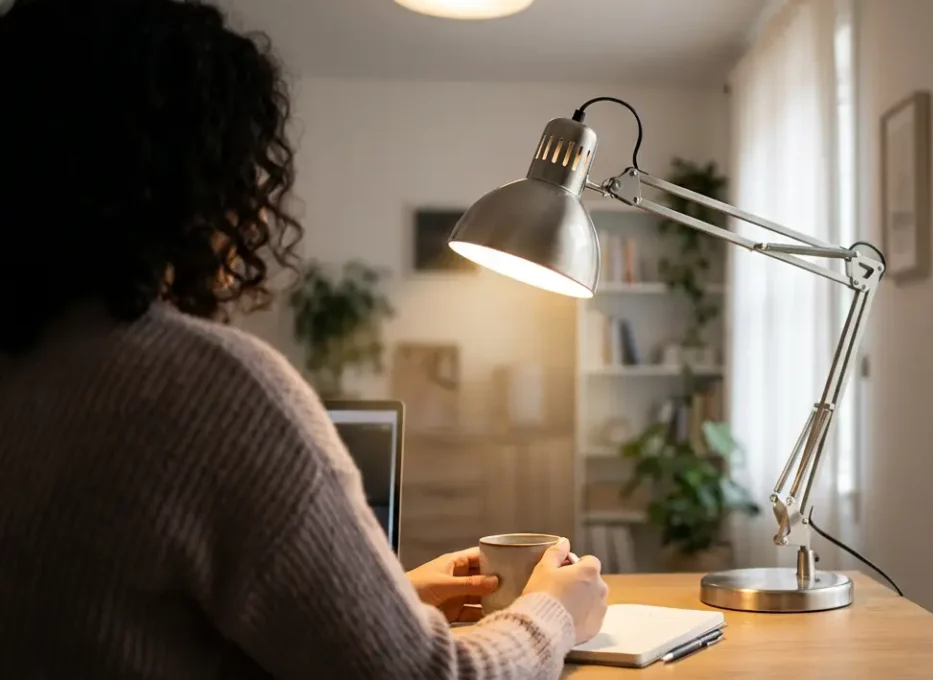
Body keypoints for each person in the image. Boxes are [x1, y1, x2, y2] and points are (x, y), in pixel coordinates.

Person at [0, 0, 608, 678]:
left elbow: (144, 622)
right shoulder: (209, 389)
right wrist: (554, 612)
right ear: (205, 176)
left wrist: (383, 601)